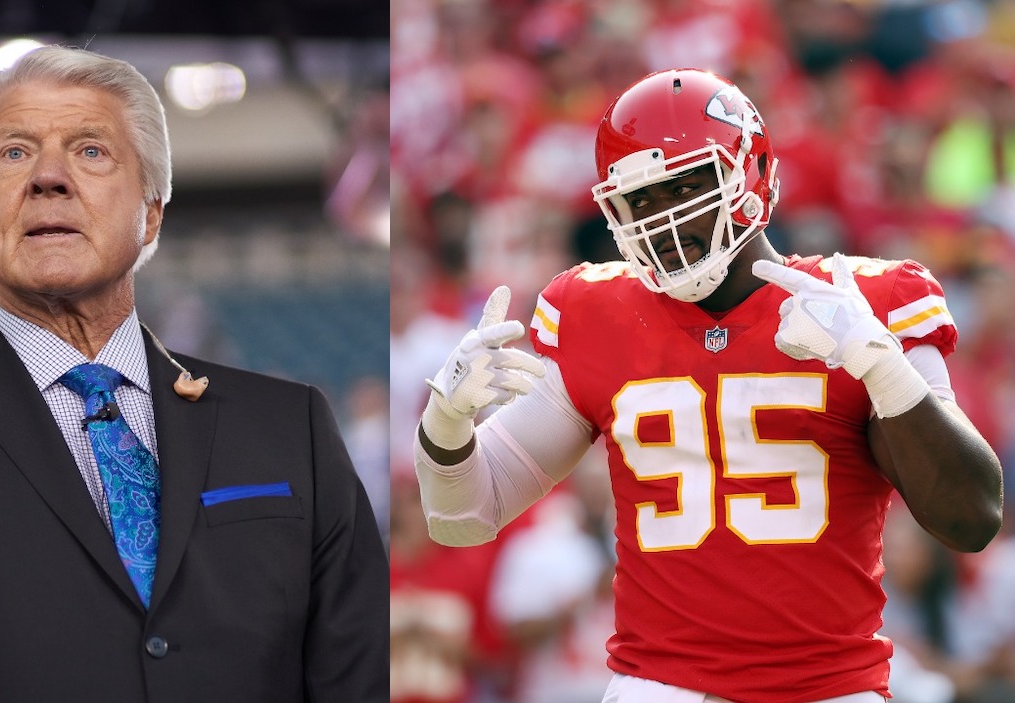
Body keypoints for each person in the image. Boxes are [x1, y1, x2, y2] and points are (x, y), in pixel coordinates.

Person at [0, 46, 388, 702]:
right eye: (14, 152)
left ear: (152, 211)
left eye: (91, 151)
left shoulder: (290, 426)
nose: (50, 176)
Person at [414, 67, 1004, 702]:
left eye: (686, 184)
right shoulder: (594, 314)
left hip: (829, 686)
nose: (663, 219)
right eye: (640, 200)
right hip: (660, 686)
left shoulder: (867, 302)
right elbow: (464, 517)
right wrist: (446, 424)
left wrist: (884, 371)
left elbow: (970, 518)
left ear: (750, 174)